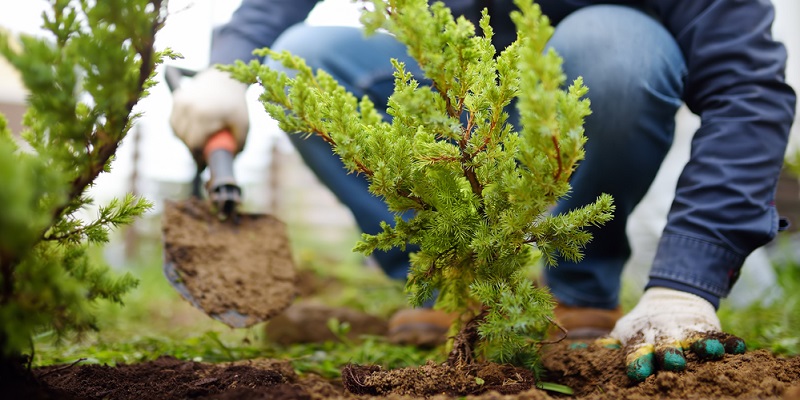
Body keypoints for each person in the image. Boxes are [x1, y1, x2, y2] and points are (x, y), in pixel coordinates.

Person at [169, 0, 797, 381]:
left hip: (580, 97)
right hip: (457, 100)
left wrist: (686, 280)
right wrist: (228, 63)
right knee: (296, 59)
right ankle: (448, 281)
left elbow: (745, 87)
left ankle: (580, 289)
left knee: (614, 46)